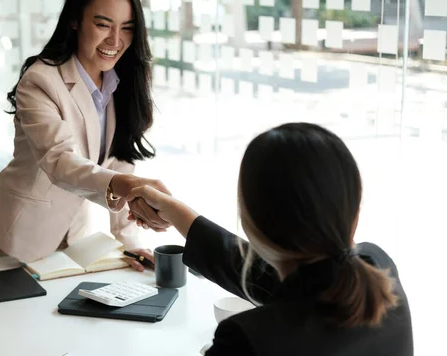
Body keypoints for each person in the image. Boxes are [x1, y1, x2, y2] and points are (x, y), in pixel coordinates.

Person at [128, 123, 413, 355]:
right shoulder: (378, 268)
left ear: (253, 223)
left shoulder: (247, 340)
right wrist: (179, 214)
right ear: (352, 209)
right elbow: (264, 277)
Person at [0, 0, 170, 269]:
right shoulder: (40, 81)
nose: (115, 40)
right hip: (17, 234)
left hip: (73, 237)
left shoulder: (119, 81)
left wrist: (132, 244)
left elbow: (117, 160)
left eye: (127, 27)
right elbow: (59, 160)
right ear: (76, 20)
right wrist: (130, 185)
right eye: (104, 24)